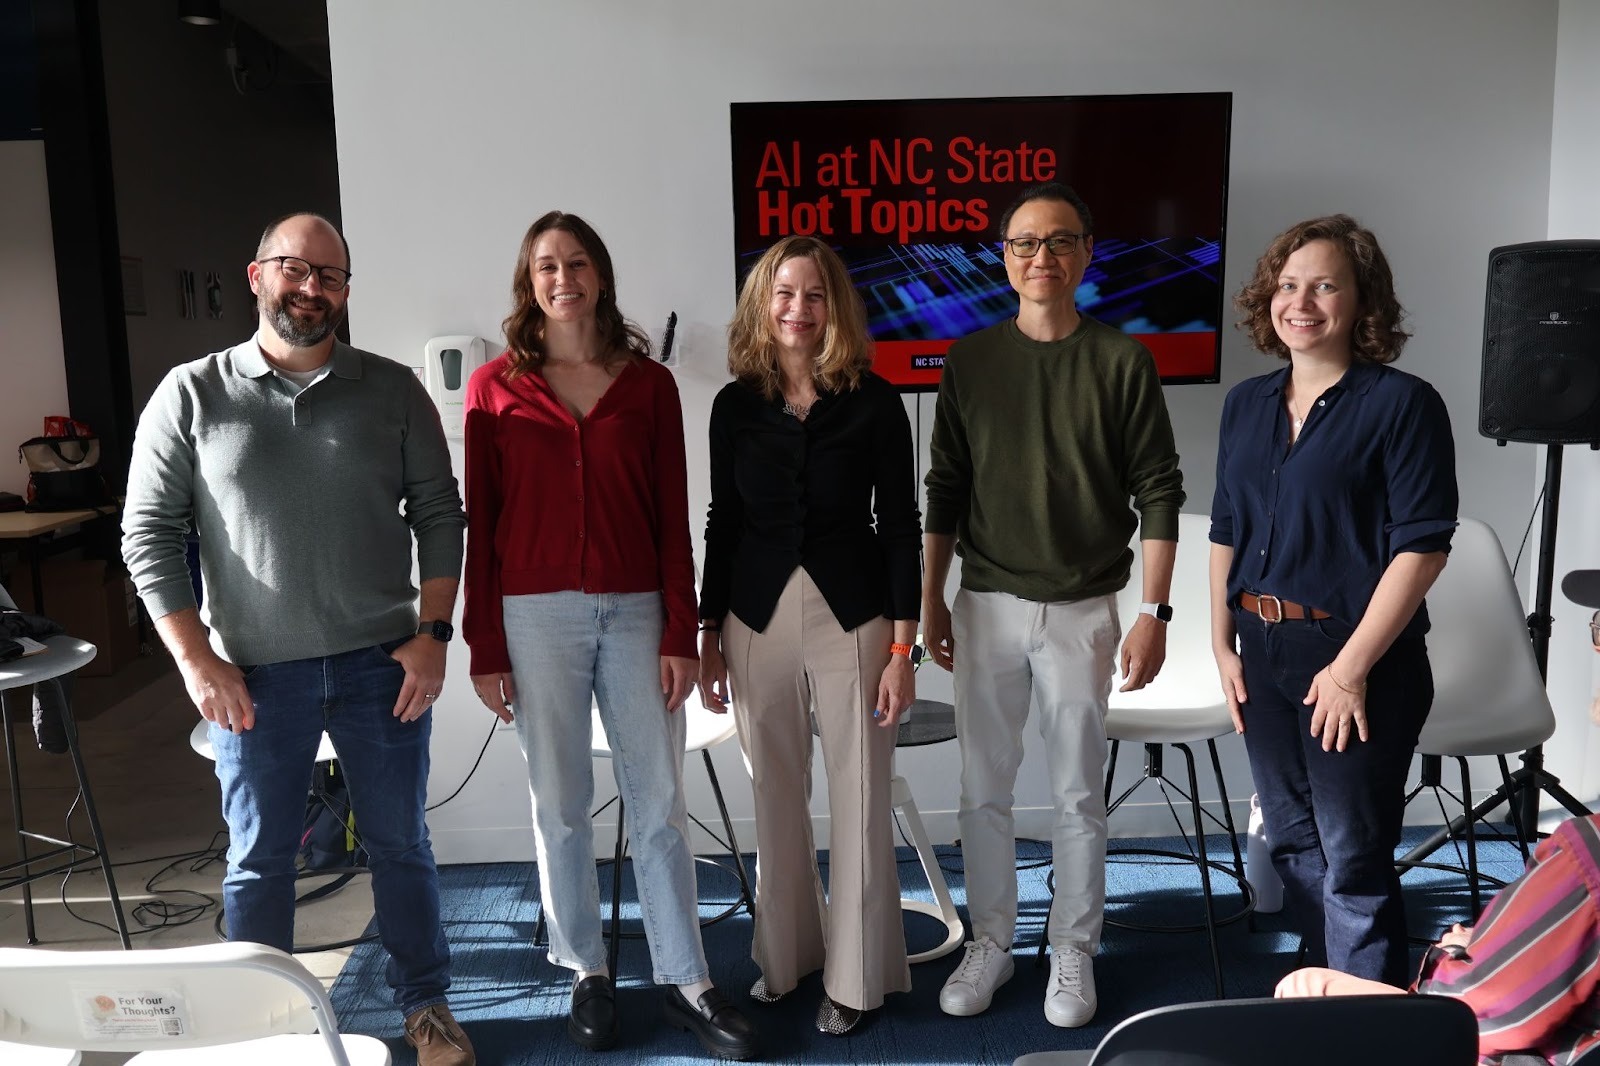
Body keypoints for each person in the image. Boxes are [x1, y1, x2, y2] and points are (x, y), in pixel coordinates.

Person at [121, 212, 475, 1066]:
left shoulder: (391, 390)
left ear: (347, 292)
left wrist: (434, 635)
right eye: (295, 269)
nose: (311, 288)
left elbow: (440, 514)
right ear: (256, 275)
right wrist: (195, 659)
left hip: (379, 664)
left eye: (330, 277)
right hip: (252, 674)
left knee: (401, 845)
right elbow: (147, 534)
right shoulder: (192, 393)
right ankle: (263, 1027)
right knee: (258, 863)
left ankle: (425, 1008)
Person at [461, 211, 754, 1060]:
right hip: (533, 614)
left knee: (657, 800)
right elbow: (483, 523)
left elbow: (674, 519)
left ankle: (686, 978)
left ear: (600, 275)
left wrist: (679, 628)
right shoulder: (493, 387)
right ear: (529, 283)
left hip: (635, 613)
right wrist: (484, 645)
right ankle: (585, 969)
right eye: (546, 266)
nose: (563, 278)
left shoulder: (648, 385)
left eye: (577, 262)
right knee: (558, 806)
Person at [924, 182, 1186, 1028]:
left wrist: (1155, 610)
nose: (1043, 257)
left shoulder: (1122, 360)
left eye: (1060, 241)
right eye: (1025, 243)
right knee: (982, 789)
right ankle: (991, 943)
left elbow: (1158, 488)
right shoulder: (969, 361)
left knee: (1077, 793)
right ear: (1004, 258)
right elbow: (945, 490)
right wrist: (930, 597)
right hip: (986, 602)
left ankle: (1073, 948)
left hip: (1084, 607)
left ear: (1086, 252)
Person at [1210, 214, 1458, 988]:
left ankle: (1370, 1021)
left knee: (1351, 856)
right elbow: (1226, 525)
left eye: (1324, 285)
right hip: (1263, 651)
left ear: (1361, 301)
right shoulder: (1248, 404)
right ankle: (1326, 989)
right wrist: (1221, 644)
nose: (1301, 301)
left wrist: (1349, 670)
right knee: (1290, 844)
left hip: (1356, 660)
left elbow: (1424, 547)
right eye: (1288, 285)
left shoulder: (1403, 404)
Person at [698, 235, 922, 1036]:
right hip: (753, 616)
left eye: (815, 295)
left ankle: (857, 980)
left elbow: (901, 527)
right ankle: (786, 957)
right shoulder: (734, 406)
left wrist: (904, 648)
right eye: (785, 293)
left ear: (836, 309)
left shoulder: (876, 401)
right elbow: (722, 524)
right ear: (765, 303)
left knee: (860, 794)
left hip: (854, 615)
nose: (798, 308)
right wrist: (706, 632)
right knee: (775, 793)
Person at [1276, 811, 1600, 1066]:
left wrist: (1461, 952)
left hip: (1550, 1052)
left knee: (1305, 988)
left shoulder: (1588, 853)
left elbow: (1480, 1013)